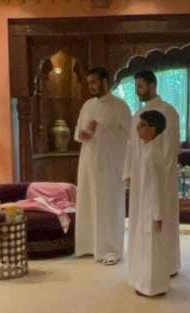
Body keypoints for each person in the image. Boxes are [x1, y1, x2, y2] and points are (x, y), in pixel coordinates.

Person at [124, 70, 181, 279]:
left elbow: (170, 148)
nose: (137, 91)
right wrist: (128, 172)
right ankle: (141, 265)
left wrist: (162, 177)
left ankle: (166, 266)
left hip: (160, 176)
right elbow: (131, 145)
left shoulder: (168, 112)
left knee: (161, 219)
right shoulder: (137, 115)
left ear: (152, 85)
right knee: (140, 221)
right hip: (140, 175)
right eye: (136, 87)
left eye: (140, 86)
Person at [74, 67, 132, 265]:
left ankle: (110, 249)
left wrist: (102, 129)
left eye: (94, 82)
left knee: (109, 206)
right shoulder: (87, 105)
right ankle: (88, 246)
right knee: (88, 202)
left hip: (110, 166)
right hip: (88, 164)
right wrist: (83, 134)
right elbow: (78, 131)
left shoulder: (120, 106)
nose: (91, 86)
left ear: (105, 82)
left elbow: (130, 136)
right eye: (89, 83)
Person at [124, 111, 170, 297]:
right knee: (145, 246)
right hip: (145, 206)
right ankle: (146, 283)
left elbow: (157, 187)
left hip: (151, 209)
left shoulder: (153, 155)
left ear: (153, 129)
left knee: (151, 248)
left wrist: (158, 214)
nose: (138, 128)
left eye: (142, 125)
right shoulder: (146, 149)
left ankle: (153, 287)